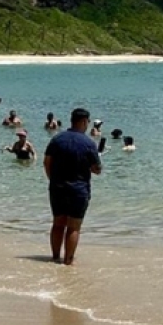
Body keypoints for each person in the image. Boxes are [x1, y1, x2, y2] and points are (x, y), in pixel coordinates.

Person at [43, 108, 102, 265]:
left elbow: (46, 163)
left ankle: (55, 257)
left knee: (58, 223)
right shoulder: (89, 143)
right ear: (84, 121)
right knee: (73, 227)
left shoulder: (56, 139)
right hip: (78, 190)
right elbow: (97, 170)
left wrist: (52, 181)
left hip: (57, 188)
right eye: (88, 122)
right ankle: (68, 262)